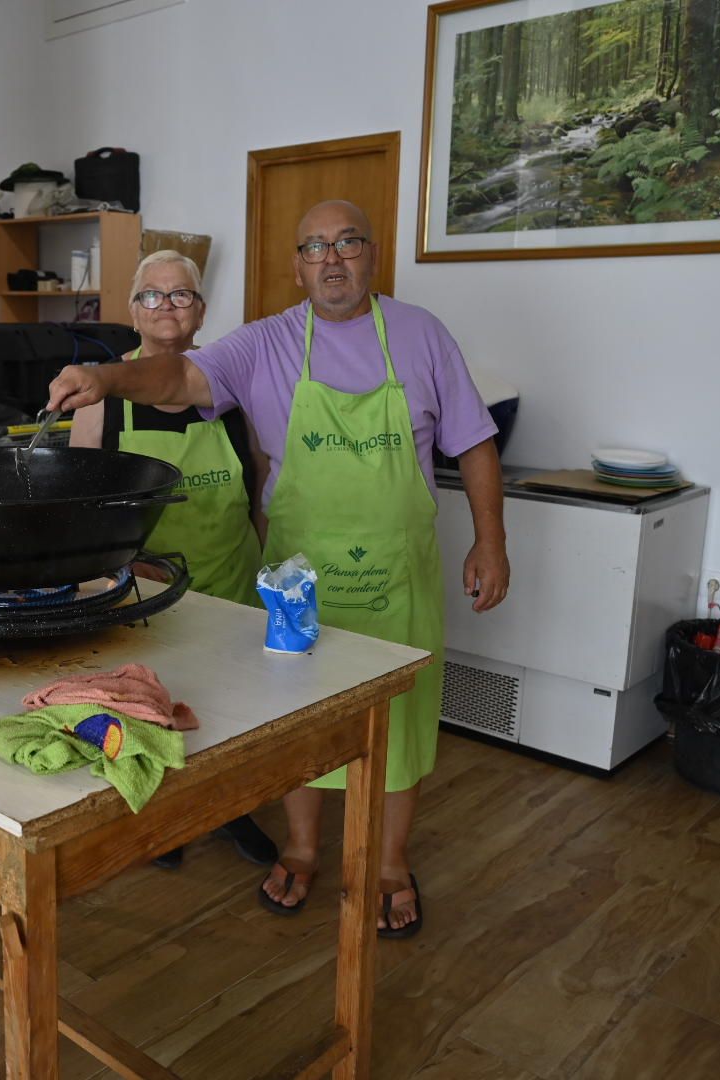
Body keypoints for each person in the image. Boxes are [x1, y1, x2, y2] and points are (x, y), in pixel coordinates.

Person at [47, 200, 509, 937]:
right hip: (300, 581)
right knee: (298, 724)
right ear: (296, 266)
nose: (332, 258)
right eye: (315, 246)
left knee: (405, 722)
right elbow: (177, 380)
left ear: (371, 254)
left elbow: (476, 444)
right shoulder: (261, 345)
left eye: (347, 242)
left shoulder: (422, 337)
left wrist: (492, 540)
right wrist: (108, 379)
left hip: (402, 575)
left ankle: (390, 863)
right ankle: (301, 845)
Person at [72, 249, 277, 870]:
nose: (167, 306)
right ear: (133, 312)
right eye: (152, 296)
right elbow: (84, 509)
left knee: (234, 712)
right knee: (154, 708)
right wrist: (120, 572)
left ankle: (231, 807)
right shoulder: (101, 397)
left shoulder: (235, 394)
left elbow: (260, 488)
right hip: (147, 597)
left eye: (180, 295)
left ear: (202, 312)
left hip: (231, 587)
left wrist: (267, 571)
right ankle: (161, 818)